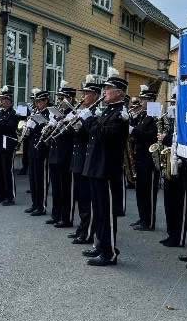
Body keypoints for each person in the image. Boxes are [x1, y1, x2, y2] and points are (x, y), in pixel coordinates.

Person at [81, 68, 129, 266]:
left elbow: (104, 135)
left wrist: (90, 118)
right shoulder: (108, 111)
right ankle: (101, 246)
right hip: (96, 168)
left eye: (108, 88)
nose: (105, 92)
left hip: (107, 170)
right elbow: (92, 134)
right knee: (99, 211)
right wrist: (88, 119)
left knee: (107, 213)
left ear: (119, 92)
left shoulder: (121, 114)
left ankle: (110, 253)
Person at [68, 75, 102, 244]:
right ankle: (82, 228)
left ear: (95, 95)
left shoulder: (96, 113)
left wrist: (83, 120)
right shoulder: (83, 111)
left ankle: (88, 232)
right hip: (78, 159)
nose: (83, 97)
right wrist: (72, 122)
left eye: (87, 93)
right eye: (84, 93)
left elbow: (92, 136)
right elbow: (77, 135)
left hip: (87, 160)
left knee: (88, 199)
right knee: (81, 197)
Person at [46, 81, 77, 228]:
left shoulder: (74, 113)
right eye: (59, 98)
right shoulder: (58, 113)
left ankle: (66, 217)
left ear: (70, 98)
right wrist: (50, 125)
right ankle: (56, 214)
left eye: (62, 98)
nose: (59, 101)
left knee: (66, 188)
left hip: (66, 155)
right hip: (54, 153)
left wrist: (64, 123)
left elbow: (74, 134)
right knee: (56, 188)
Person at [130, 86, 159, 231]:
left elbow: (150, 136)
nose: (141, 102)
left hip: (149, 160)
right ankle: (142, 218)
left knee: (149, 192)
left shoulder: (155, 115)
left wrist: (133, 130)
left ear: (151, 100)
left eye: (144, 99)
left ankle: (149, 221)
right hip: (140, 157)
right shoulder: (143, 115)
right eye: (141, 99)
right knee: (141, 190)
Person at [160, 92, 184, 247]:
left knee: (178, 204)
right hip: (170, 162)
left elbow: (178, 140)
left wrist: (165, 138)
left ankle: (178, 236)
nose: (173, 105)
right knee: (169, 202)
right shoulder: (171, 120)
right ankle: (171, 233)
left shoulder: (183, 120)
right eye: (172, 102)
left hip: (180, 166)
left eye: (175, 102)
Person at [0, 86, 20, 206]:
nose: (2, 102)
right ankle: (0, 195)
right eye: (1, 99)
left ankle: (10, 197)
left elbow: (9, 127)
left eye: (4, 99)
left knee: (7, 171)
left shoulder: (14, 113)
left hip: (7, 145)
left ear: (9, 100)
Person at [24, 89, 51, 217]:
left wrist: (36, 126)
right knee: (33, 179)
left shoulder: (49, 114)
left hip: (42, 151)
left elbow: (47, 131)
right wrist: (27, 128)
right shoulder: (35, 113)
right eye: (36, 101)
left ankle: (42, 206)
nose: (37, 104)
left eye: (40, 101)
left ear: (46, 101)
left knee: (41, 180)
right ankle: (35, 204)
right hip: (32, 149)